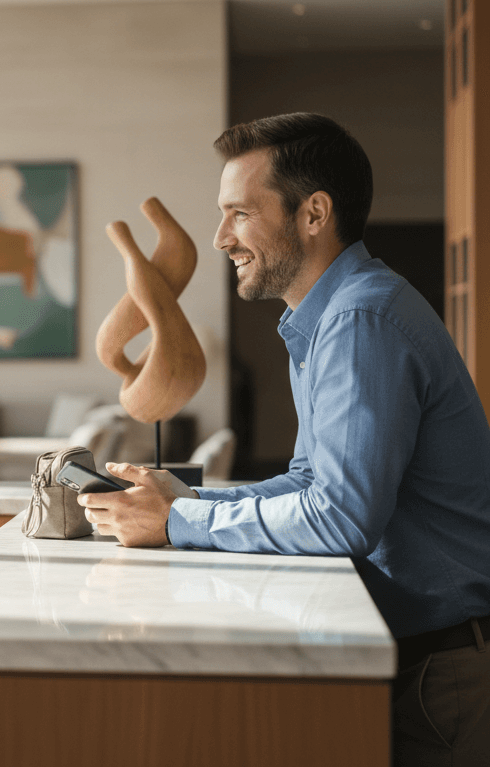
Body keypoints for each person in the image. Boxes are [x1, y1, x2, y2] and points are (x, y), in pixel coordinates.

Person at [77, 113, 490, 765]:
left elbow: (341, 518)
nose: (219, 238)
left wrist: (180, 522)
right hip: (420, 652)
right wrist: (180, 502)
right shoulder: (327, 318)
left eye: (239, 213)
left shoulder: (360, 319)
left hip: (441, 670)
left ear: (314, 214)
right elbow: (310, 481)